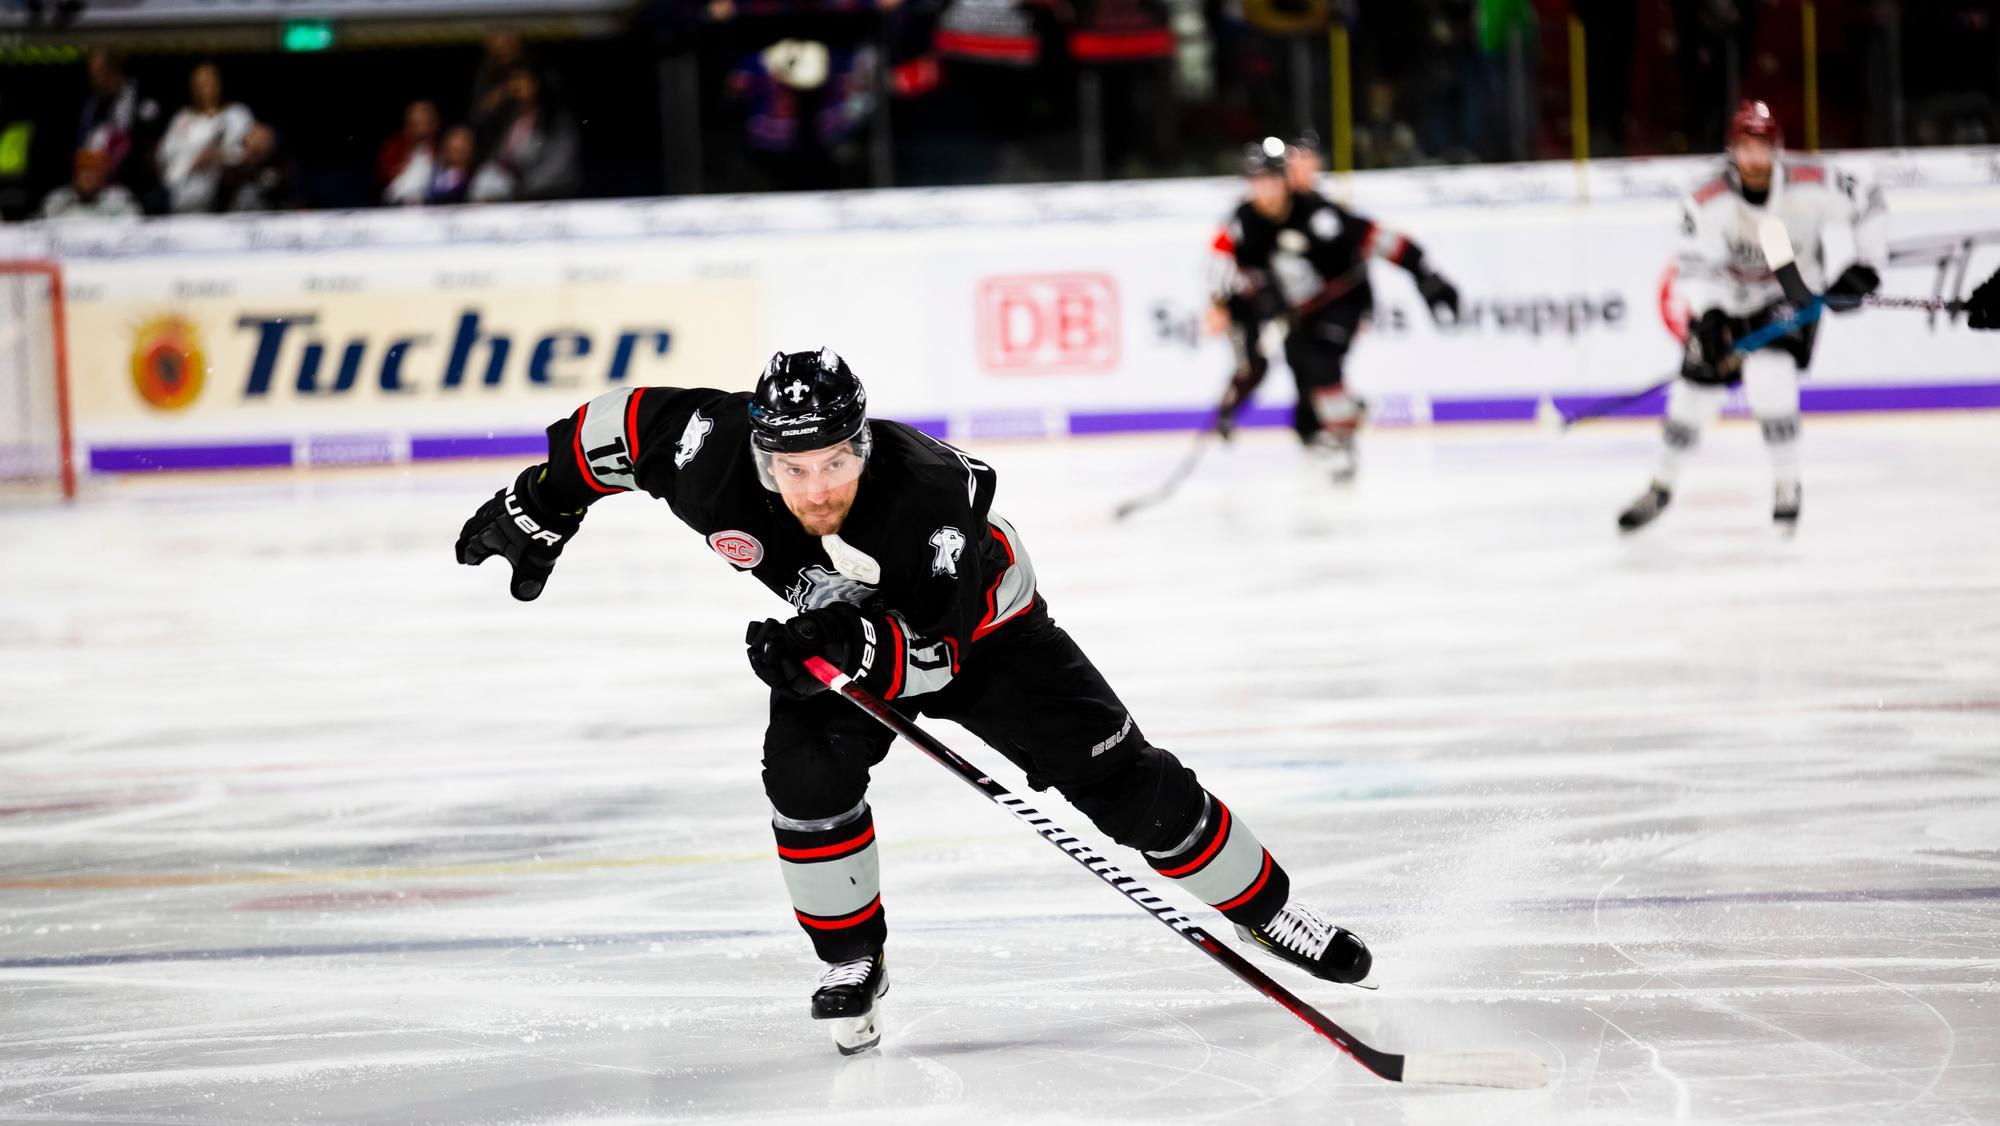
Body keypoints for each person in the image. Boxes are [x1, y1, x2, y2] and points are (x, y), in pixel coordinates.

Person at [454, 349, 1374, 1055]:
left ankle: (1266, 909)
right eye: (793, 469)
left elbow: (934, 658)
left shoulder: (928, 497)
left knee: (1131, 790)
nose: (816, 489)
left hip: (986, 634)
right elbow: (612, 427)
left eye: (834, 464)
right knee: (803, 774)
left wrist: (834, 644)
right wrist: (542, 504)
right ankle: (853, 959)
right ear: (760, 455)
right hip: (846, 630)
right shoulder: (709, 454)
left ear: (861, 444)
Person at [1617, 100, 1885, 533]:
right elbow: (1693, 265)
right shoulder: (1706, 199)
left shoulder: (1811, 182)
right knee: (1690, 397)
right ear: (1732, 150)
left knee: (1770, 377)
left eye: (1762, 147)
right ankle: (1660, 486)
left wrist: (1868, 265)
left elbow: (1870, 200)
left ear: (1776, 148)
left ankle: (1787, 485)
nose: (1754, 158)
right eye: (1745, 147)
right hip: (1729, 299)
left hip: (1791, 292)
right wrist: (1708, 314)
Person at [1203, 136, 1460, 481]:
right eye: (1256, 181)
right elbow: (1233, 268)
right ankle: (1326, 425)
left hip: (1343, 300)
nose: (1264, 190)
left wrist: (1427, 276)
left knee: (1320, 361)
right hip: (1298, 310)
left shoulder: (1317, 214)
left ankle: (1342, 439)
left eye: (1270, 180)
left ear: (1283, 181)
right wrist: (1225, 306)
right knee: (1300, 370)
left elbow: (1377, 238)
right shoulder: (1245, 221)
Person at [470, 65, 581, 202]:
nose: (516, 85)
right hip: (513, 196)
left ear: (537, 84)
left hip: (548, 197)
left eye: (521, 79)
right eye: (512, 80)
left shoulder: (555, 120)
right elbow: (497, 159)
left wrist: (518, 190)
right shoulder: (507, 119)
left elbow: (558, 166)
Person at [156, 61, 254, 214]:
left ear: (219, 83)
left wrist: (223, 157)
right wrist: (192, 162)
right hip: (184, 200)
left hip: (228, 199)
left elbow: (251, 152)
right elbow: (164, 157)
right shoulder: (182, 118)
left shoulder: (237, 114)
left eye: (209, 82)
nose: (204, 89)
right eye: (199, 84)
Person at [37, 148, 141, 220]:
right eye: (84, 172)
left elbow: (134, 228)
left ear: (102, 177)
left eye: (94, 173)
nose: (88, 178)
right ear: (75, 176)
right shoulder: (57, 202)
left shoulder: (120, 201)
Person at [379, 99, 440, 207]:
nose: (421, 129)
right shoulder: (394, 148)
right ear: (407, 125)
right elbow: (384, 180)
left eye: (425, 123)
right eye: (416, 123)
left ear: (435, 124)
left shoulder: (442, 148)